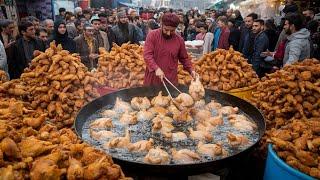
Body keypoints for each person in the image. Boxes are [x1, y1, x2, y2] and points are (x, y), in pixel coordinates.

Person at [143, 13, 196, 87]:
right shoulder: (152, 35)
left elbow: (184, 58)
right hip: (153, 78)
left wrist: (191, 70)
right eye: (166, 29)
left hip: (170, 80)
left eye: (172, 31)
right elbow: (147, 55)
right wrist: (156, 68)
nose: (168, 33)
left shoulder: (179, 40)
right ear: (161, 24)